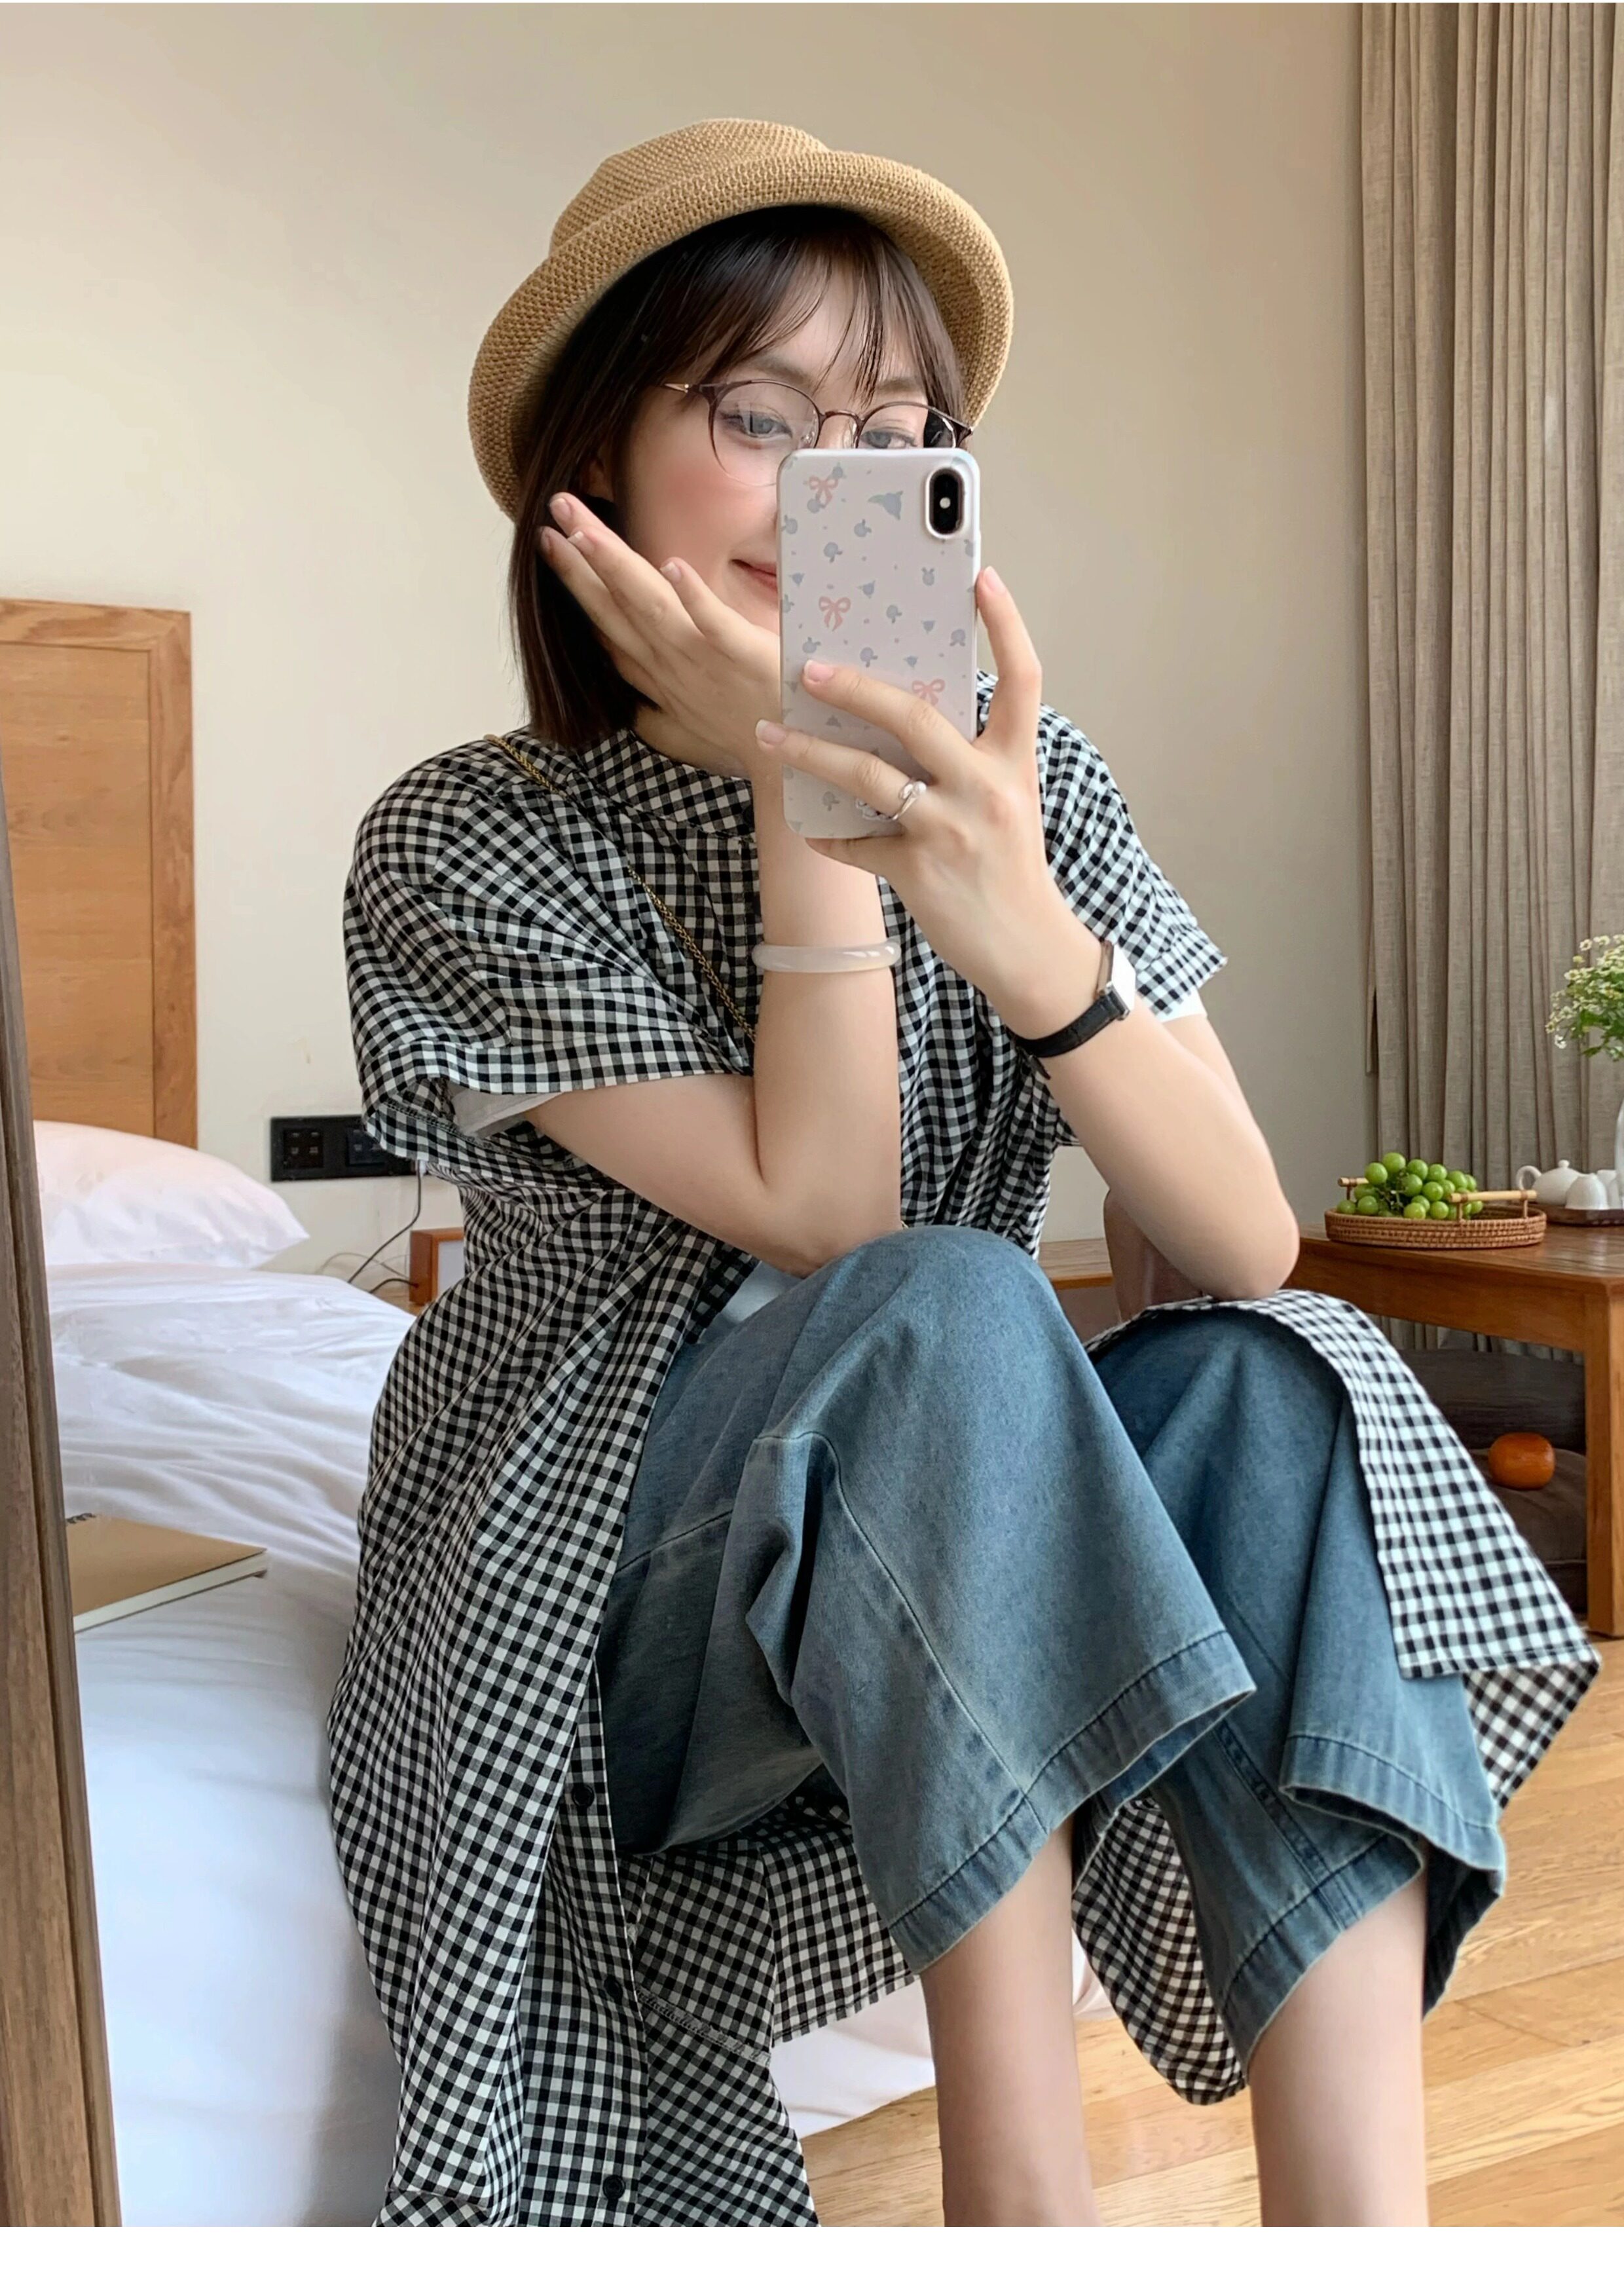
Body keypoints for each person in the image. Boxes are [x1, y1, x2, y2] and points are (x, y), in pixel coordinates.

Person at [329, 119, 1597, 2229]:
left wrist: (1012, 916)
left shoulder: (1024, 779)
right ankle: (1024, 2217)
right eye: (761, 420)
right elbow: (836, 1222)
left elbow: (1241, 1237)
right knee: (949, 1296)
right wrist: (806, 791)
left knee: (1272, 1376)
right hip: (609, 1585)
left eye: (900, 437)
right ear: (594, 463)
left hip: (953, 1548)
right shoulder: (470, 836)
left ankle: (1363, 2237)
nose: (840, 492)